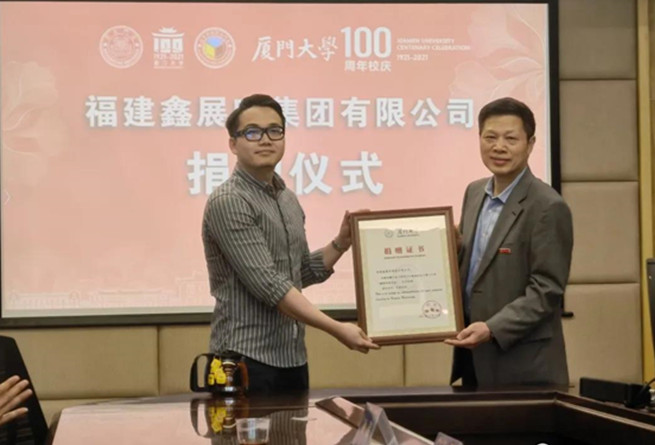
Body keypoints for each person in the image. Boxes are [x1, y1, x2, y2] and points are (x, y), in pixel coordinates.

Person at [202, 94, 379, 393]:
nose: (265, 139)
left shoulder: (287, 199)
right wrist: (337, 329)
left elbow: (299, 273)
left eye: (274, 131)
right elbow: (271, 286)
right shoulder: (229, 201)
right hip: (243, 360)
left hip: (292, 358)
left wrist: (341, 242)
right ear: (233, 144)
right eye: (252, 132)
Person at [445, 97, 573, 387]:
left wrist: (492, 328)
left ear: (530, 144)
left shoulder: (548, 206)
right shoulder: (474, 192)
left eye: (510, 139)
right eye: (490, 137)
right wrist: (454, 250)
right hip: (473, 357)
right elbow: (479, 267)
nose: (499, 147)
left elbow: (547, 290)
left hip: (522, 364)